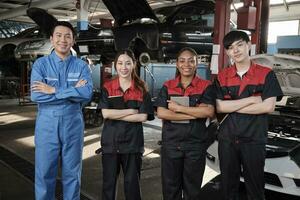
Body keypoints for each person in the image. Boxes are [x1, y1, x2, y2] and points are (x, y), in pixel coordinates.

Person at [214, 31, 283, 200]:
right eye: (230, 48)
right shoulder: (222, 76)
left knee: (255, 188)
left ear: (249, 45)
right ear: (227, 52)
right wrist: (252, 100)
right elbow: (218, 106)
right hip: (227, 140)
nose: (235, 50)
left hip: (253, 140)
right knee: (228, 188)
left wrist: (231, 107)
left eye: (239, 44)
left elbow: (268, 106)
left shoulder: (266, 74)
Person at [30, 21, 93, 200]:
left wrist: (54, 90)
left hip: (73, 123)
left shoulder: (81, 66)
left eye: (67, 36)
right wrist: (73, 91)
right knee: (44, 172)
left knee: (72, 173)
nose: (63, 40)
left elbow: (87, 94)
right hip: (47, 124)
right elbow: (36, 96)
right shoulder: (41, 65)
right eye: (58, 35)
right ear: (52, 39)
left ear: (73, 41)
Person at [155, 47, 215, 200]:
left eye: (191, 61)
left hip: (195, 146)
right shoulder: (167, 86)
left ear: (197, 63)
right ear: (177, 64)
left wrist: (178, 109)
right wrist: (195, 113)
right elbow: (161, 113)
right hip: (171, 145)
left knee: (192, 190)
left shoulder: (206, 86)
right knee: (170, 190)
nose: (186, 64)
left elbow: (209, 112)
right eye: (182, 61)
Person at [99, 49, 154, 200]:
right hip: (110, 143)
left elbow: (142, 116)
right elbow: (106, 114)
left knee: (132, 186)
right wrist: (131, 111)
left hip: (132, 145)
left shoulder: (142, 89)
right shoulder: (107, 87)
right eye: (120, 63)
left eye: (128, 63)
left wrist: (115, 114)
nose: (124, 67)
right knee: (108, 186)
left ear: (134, 65)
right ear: (115, 65)